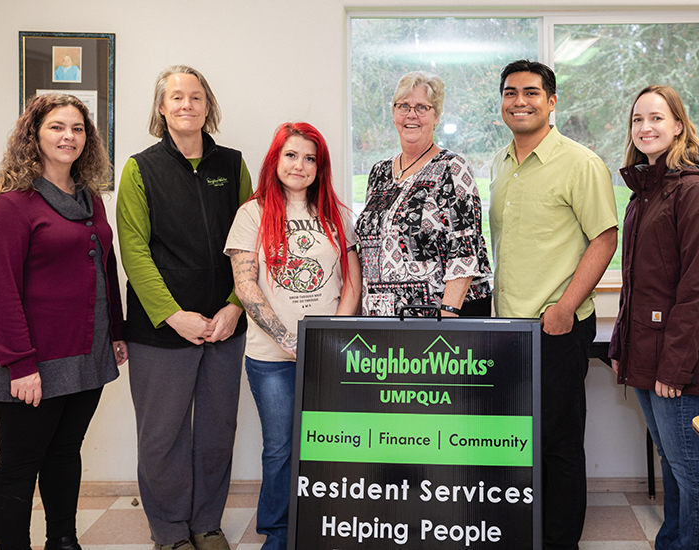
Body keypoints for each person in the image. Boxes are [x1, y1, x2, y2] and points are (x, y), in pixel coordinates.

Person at [0, 93, 128, 550]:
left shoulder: (90, 199)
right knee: (20, 466)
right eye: (57, 127)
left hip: (86, 354)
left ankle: (63, 539)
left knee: (65, 454)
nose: (69, 136)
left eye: (78, 129)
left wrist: (116, 332)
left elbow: (106, 265)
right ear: (34, 136)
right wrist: (20, 364)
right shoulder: (9, 207)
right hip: (31, 364)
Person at [116, 66, 251, 550]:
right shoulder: (139, 169)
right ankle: (170, 531)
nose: (186, 104)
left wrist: (235, 307)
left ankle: (206, 525)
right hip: (160, 332)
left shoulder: (233, 166)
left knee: (217, 432)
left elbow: (249, 245)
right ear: (161, 108)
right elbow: (134, 251)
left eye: (196, 97)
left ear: (208, 106)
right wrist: (174, 315)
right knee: (162, 437)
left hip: (224, 327)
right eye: (176, 97)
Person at [489, 59, 618, 550]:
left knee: (559, 444)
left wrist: (565, 307)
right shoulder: (501, 163)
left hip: (556, 326)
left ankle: (560, 542)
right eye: (510, 92)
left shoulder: (580, 163)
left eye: (531, 93)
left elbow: (604, 238)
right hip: (508, 330)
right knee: (518, 442)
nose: (519, 101)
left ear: (552, 100)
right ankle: (527, 534)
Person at [226, 122, 361, 550]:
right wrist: (290, 339)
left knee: (329, 444)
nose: (299, 165)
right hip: (270, 356)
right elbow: (246, 286)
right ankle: (280, 532)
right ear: (275, 159)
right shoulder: (253, 212)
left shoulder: (337, 213)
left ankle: (325, 525)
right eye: (291, 155)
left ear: (319, 167)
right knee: (281, 447)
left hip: (328, 352)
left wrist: (327, 339)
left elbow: (352, 283)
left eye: (309, 158)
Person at [609, 85, 699, 550]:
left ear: (678, 125)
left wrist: (674, 369)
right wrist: (621, 348)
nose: (645, 128)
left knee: (688, 467)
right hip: (647, 354)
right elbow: (638, 284)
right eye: (638, 120)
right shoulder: (646, 191)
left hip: (676, 361)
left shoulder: (695, 192)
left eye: (656, 118)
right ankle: (673, 542)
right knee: (671, 459)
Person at [354, 71, 492, 318]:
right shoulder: (379, 172)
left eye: (421, 107)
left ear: (436, 116)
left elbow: (465, 248)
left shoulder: (452, 168)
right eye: (403, 106)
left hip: (436, 318)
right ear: (394, 113)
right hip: (382, 316)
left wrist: (447, 316)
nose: (411, 114)